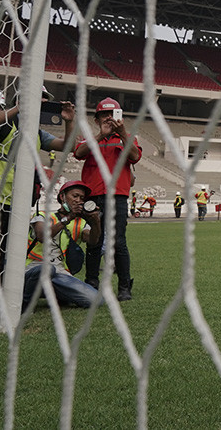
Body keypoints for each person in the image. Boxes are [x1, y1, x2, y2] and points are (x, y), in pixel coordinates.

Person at [0, 86, 75, 315]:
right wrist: (20, 108)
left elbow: (65, 147)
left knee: (3, 257)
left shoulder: (35, 133)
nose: (40, 104)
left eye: (43, 101)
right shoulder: (4, 121)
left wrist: (69, 121)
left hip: (14, 202)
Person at [73, 97, 140, 302]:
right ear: (97, 120)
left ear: (120, 117)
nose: (109, 118)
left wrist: (121, 134)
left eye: (113, 114)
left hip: (117, 196)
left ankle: (124, 286)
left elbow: (135, 156)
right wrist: (100, 135)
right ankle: (91, 283)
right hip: (93, 195)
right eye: (104, 115)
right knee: (95, 241)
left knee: (119, 241)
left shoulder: (127, 138)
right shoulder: (90, 139)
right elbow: (78, 153)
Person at [22, 180, 101, 310]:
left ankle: (53, 292)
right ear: (62, 197)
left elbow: (93, 241)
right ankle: (25, 302)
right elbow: (42, 236)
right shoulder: (43, 215)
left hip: (59, 271)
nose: (78, 200)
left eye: (82, 198)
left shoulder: (80, 222)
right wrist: (68, 218)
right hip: (34, 267)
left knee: (95, 299)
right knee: (47, 269)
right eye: (74, 196)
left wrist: (96, 221)